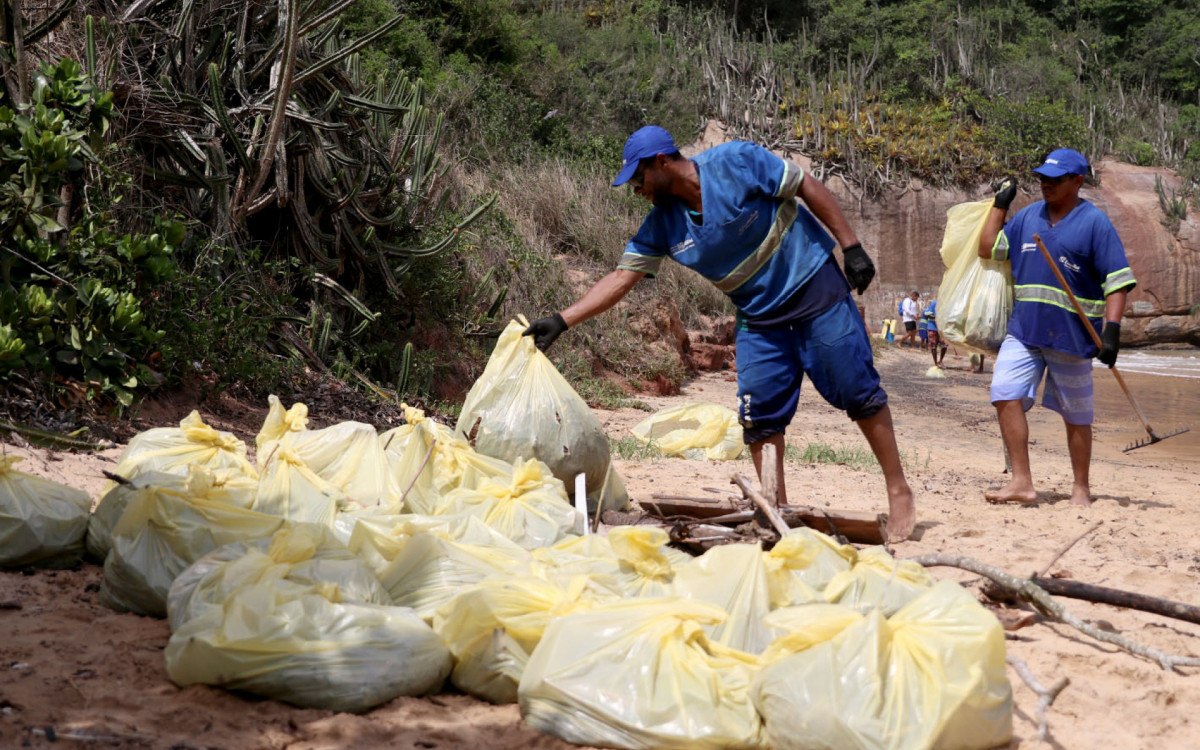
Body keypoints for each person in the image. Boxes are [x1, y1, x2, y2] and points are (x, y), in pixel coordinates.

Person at [522, 125, 916, 541]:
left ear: (662, 162)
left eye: (638, 179)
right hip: (760, 317)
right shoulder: (663, 225)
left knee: (858, 390)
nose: (635, 189)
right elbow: (622, 277)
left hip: (815, 288)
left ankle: (898, 490)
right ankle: (775, 508)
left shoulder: (736, 161)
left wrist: (850, 246)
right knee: (760, 415)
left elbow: (806, 186)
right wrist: (562, 320)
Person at [977, 148, 1136, 506]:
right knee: (1004, 393)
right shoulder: (1026, 218)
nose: (1045, 184)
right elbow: (987, 248)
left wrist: (1111, 331)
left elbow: (1117, 280)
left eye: (1055, 179)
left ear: (1077, 181)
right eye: (1042, 178)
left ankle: (1081, 487)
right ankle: (1021, 481)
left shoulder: (1095, 222)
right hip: (1025, 330)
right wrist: (1001, 204)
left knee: (1076, 415)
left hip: (1073, 336)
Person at [923, 299, 947, 366]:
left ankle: (941, 360)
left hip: (941, 328)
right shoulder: (934, 303)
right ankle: (936, 363)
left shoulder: (946, 304)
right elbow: (928, 314)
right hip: (932, 327)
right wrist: (936, 317)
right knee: (933, 345)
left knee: (944, 345)